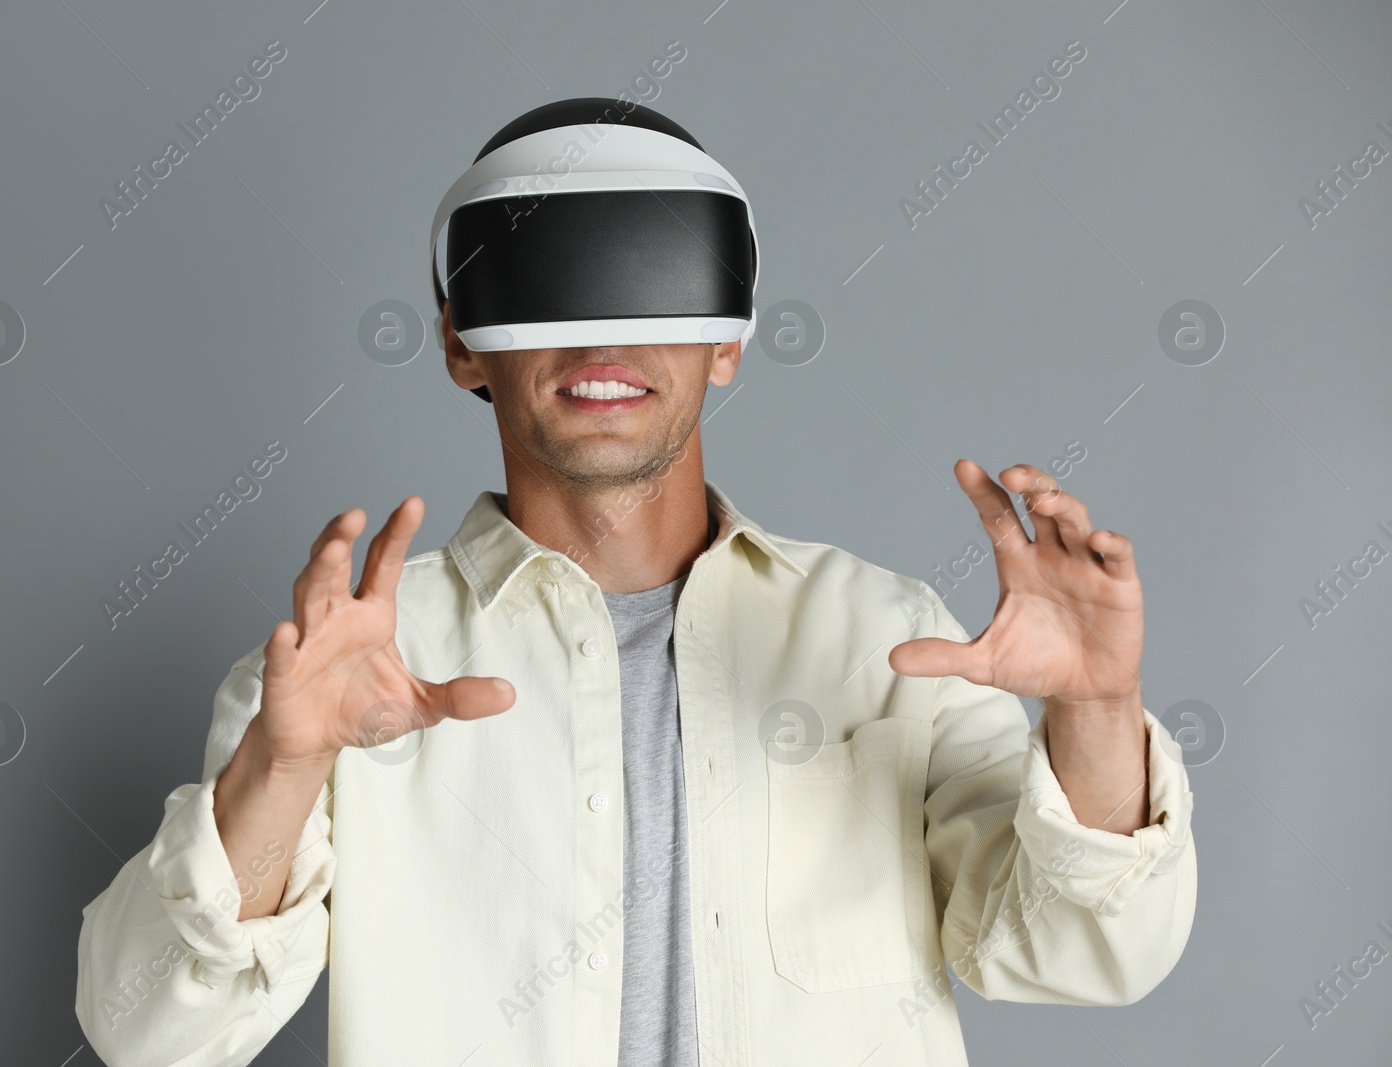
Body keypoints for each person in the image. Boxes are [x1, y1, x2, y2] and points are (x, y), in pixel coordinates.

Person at [75, 99, 1195, 1067]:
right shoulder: (342, 668)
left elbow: (1081, 952)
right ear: (464, 345)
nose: (601, 333)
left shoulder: (885, 637)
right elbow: (150, 1031)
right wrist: (284, 766)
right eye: (544, 282)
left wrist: (1095, 714)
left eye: (654, 273)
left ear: (726, 339)